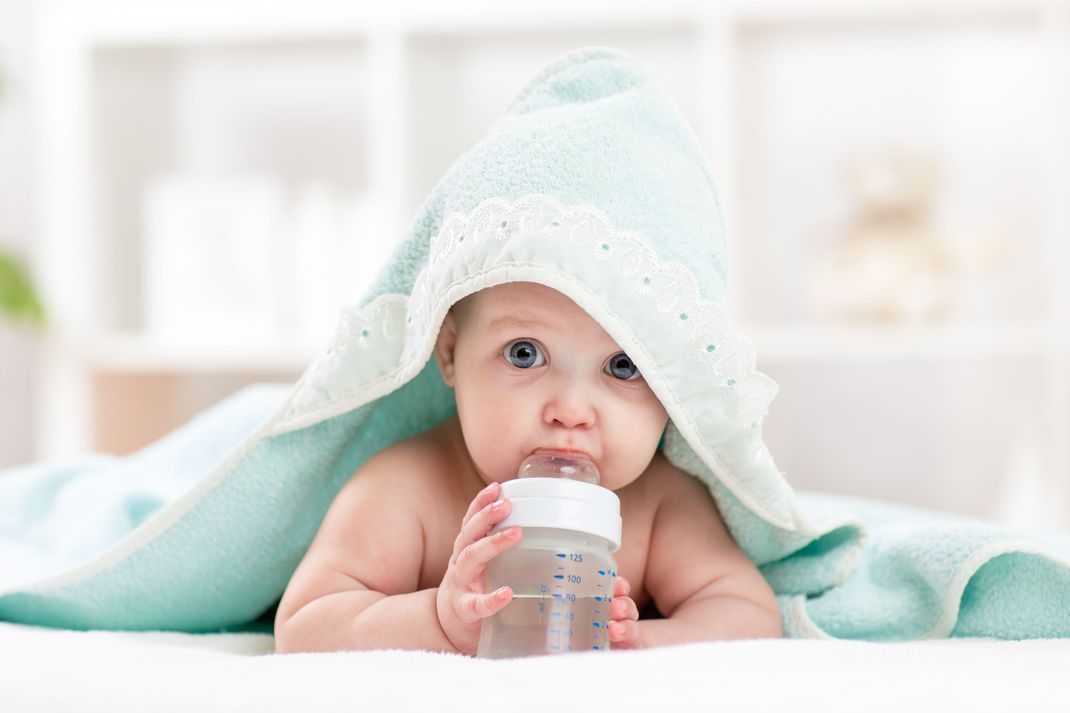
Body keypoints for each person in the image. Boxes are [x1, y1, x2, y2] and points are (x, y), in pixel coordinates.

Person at [273, 280, 782, 655]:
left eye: (623, 366)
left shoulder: (662, 503)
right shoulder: (408, 487)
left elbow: (749, 614)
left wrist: (643, 640)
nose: (571, 410)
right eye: (524, 354)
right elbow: (304, 625)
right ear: (449, 352)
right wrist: (438, 620)